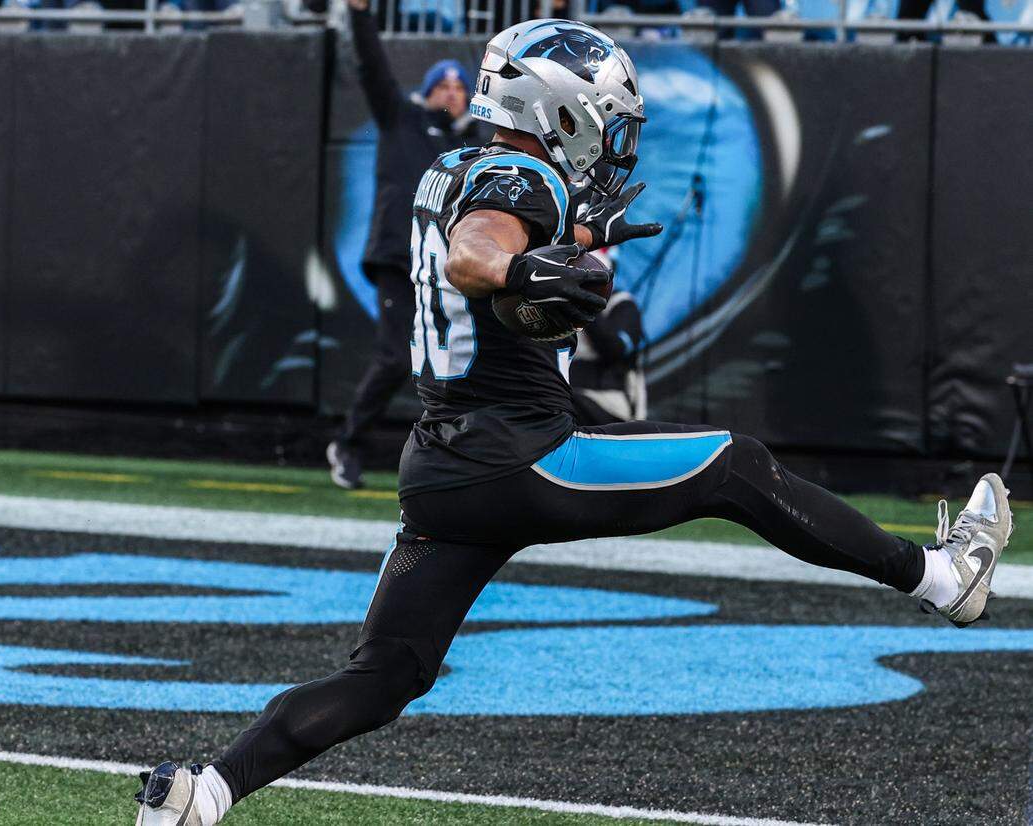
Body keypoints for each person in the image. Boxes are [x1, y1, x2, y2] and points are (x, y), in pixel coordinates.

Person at [134, 19, 1013, 825]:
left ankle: (201, 795)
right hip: (521, 458)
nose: (615, 134)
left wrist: (582, 242)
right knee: (735, 466)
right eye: (607, 115)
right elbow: (477, 249)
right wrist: (522, 275)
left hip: (441, 467)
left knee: (386, 675)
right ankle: (942, 576)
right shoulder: (521, 177)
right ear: (561, 111)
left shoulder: (457, 163)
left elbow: (486, 229)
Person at [326, 0, 490, 490]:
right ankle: (348, 442)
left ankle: (462, 459)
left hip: (450, 271)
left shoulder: (477, 146)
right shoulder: (402, 120)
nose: (451, 93)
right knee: (397, 357)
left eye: (460, 87)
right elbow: (373, 67)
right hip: (401, 259)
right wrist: (358, 14)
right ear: (426, 91)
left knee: (459, 365)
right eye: (443, 84)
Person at [568, 250, 647, 425]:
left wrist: (586, 302)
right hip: (569, 396)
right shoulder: (562, 306)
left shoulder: (623, 304)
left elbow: (615, 349)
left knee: (561, 406)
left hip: (612, 405)